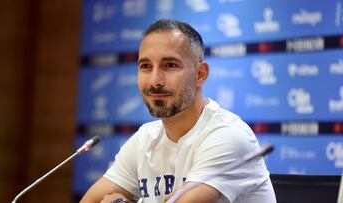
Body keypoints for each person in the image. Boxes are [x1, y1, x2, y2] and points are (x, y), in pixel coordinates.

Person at [80, 19, 276, 203]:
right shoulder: (145, 139)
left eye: (170, 65)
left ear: (200, 74)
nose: (155, 81)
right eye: (146, 66)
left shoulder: (228, 136)